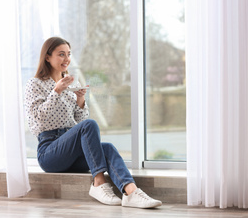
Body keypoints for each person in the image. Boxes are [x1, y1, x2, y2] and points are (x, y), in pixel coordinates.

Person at [24, 37, 162, 209]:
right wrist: (56, 91)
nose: (67, 59)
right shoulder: (35, 84)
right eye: (61, 54)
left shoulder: (70, 84)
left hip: (71, 151)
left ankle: (131, 192)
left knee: (108, 148)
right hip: (50, 153)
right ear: (47, 57)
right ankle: (98, 183)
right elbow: (39, 118)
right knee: (90, 125)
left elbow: (80, 123)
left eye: (68, 54)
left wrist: (80, 100)